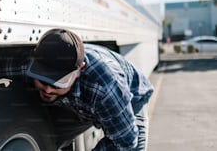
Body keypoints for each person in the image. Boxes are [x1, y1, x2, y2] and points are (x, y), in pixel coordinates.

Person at [26, 28, 154, 151]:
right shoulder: (27, 65)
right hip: (78, 103)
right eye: (42, 80)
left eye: (58, 83)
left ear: (79, 70)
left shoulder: (105, 85)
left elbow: (126, 144)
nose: (48, 90)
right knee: (47, 139)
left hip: (132, 99)